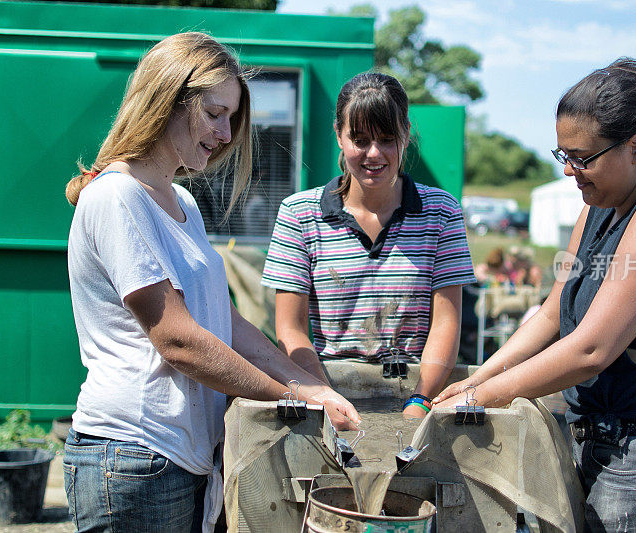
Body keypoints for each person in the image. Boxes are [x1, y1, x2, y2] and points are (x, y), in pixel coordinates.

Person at [63, 32, 360, 533]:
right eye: (215, 113)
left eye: (232, 118)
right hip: (132, 455)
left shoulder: (184, 205)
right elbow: (179, 341)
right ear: (165, 100)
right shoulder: (116, 196)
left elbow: (225, 322)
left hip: (177, 457)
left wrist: (311, 388)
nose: (226, 134)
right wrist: (287, 401)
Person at [435, 58, 636, 532]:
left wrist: (480, 399)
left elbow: (592, 349)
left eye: (584, 157)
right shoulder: (599, 208)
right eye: (563, 155)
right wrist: (476, 380)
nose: (571, 171)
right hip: (598, 441)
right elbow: (552, 314)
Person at [262, 72, 476, 418]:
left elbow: (446, 323)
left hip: (418, 394)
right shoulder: (298, 214)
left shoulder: (442, 212)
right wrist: (322, 397)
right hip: (327, 392)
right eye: (359, 139)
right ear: (339, 136)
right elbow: (291, 329)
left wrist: (421, 399)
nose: (373, 154)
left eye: (387, 139)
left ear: (406, 134)